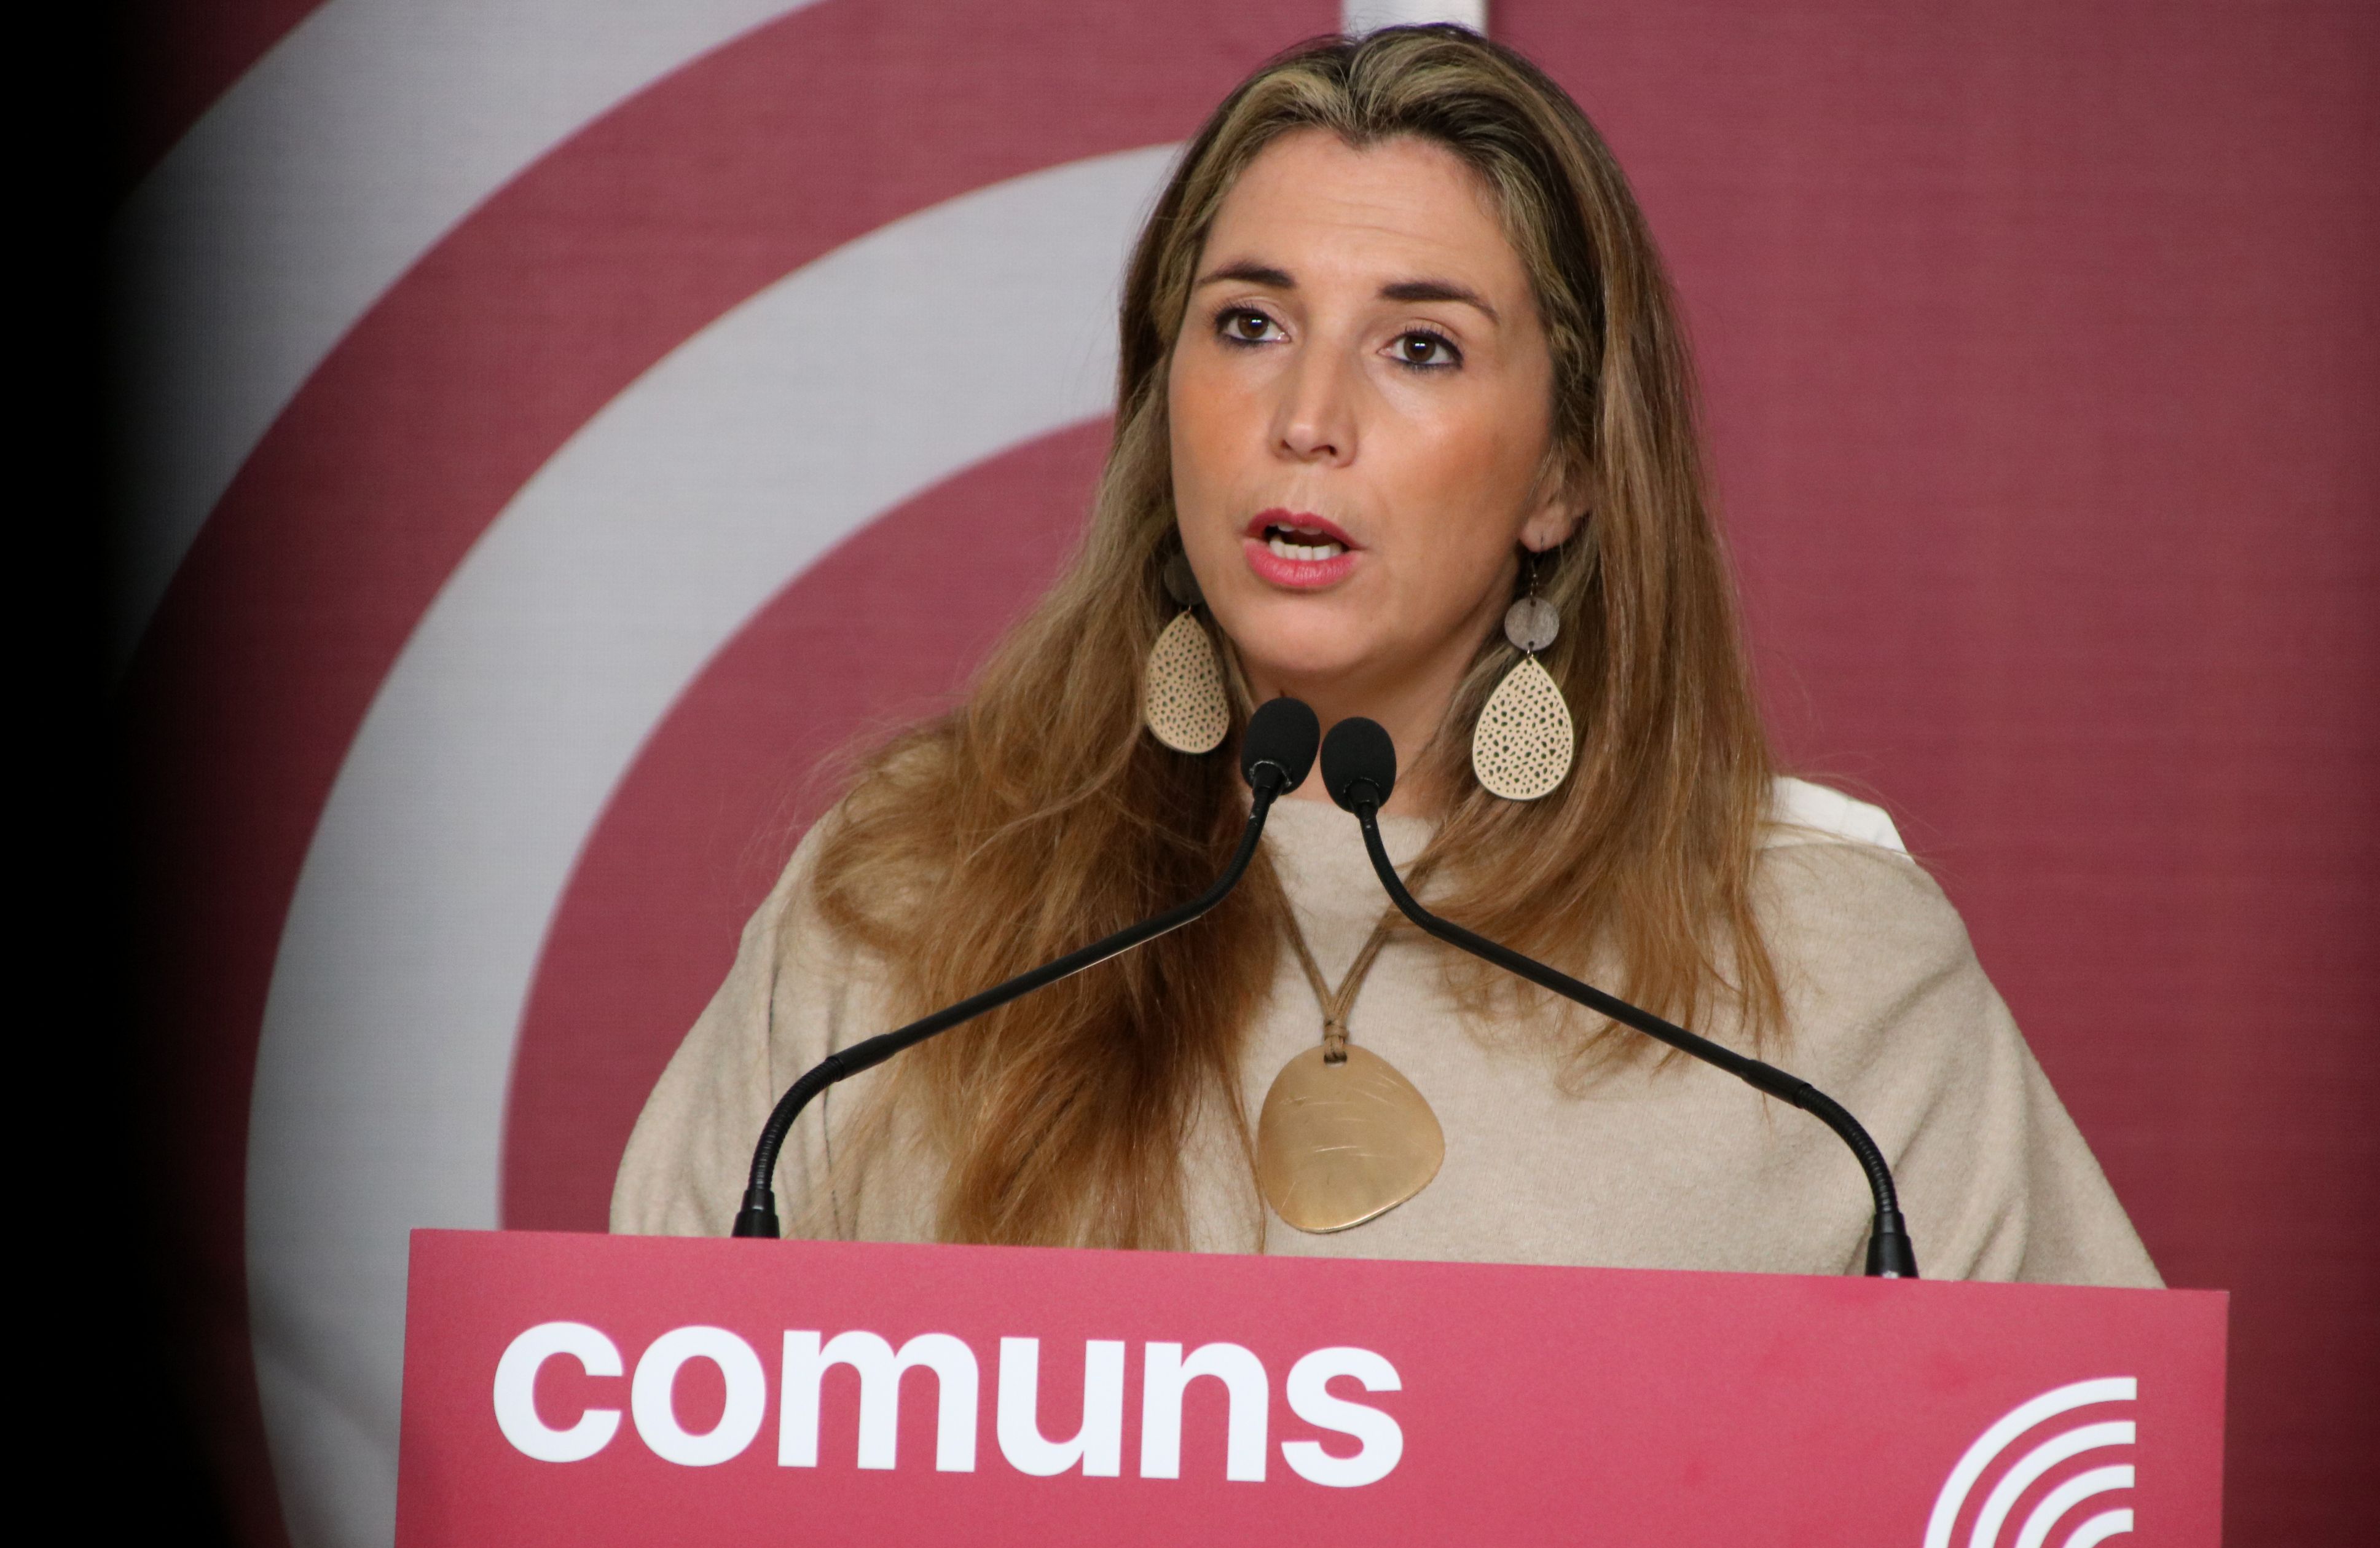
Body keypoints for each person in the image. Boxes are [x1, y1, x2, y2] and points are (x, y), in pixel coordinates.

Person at [610, 26, 2158, 1288]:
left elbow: (2055, 1512)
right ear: (1161, 404)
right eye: (1248, 324)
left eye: (1421, 346)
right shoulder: (902, 909)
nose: (1307, 417)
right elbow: (658, 1471)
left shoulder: (1825, 971)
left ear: (1566, 475)